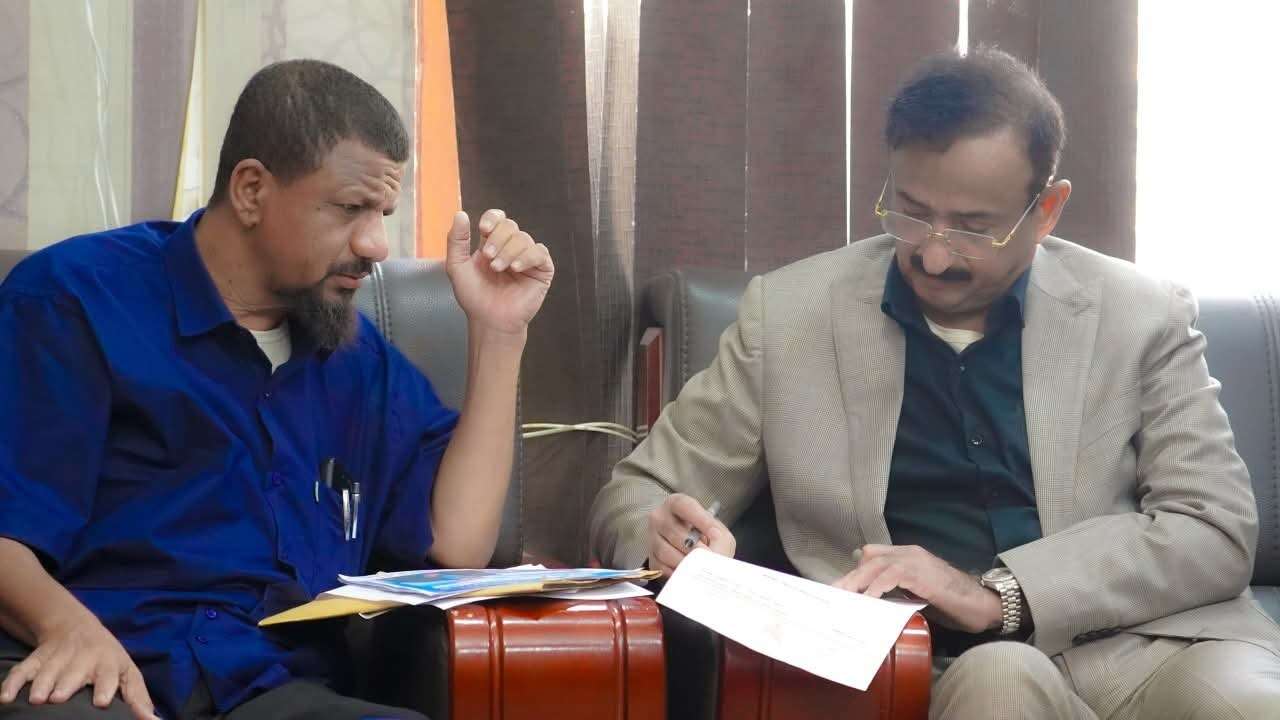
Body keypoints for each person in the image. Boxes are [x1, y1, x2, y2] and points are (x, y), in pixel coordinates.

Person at [589, 47, 1280, 718]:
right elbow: (637, 494)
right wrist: (660, 539)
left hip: (1150, 649)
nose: (933, 255)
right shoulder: (791, 316)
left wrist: (1000, 595)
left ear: (1046, 211)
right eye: (912, 212)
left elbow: (1213, 528)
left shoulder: (1142, 314)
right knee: (1002, 678)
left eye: (974, 228)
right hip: (933, 671)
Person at [0, 59, 553, 720]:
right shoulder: (76, 301)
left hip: (270, 690)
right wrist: (67, 628)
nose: (376, 244)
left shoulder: (354, 359)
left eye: (382, 213)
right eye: (350, 209)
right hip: (99, 676)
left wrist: (498, 333)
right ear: (252, 190)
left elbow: (457, 544)